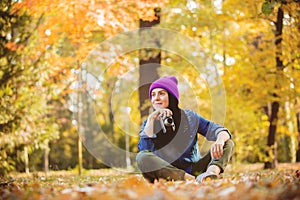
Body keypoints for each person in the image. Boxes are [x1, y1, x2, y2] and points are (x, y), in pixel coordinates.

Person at [136, 76, 234, 183]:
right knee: (142, 157)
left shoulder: (190, 117)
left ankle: (211, 174)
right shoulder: (149, 123)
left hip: (194, 169)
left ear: (172, 96)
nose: (156, 98)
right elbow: (144, 152)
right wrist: (151, 121)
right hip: (167, 171)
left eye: (161, 93)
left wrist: (219, 140)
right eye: (153, 95)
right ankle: (192, 180)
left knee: (227, 142)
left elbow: (219, 130)